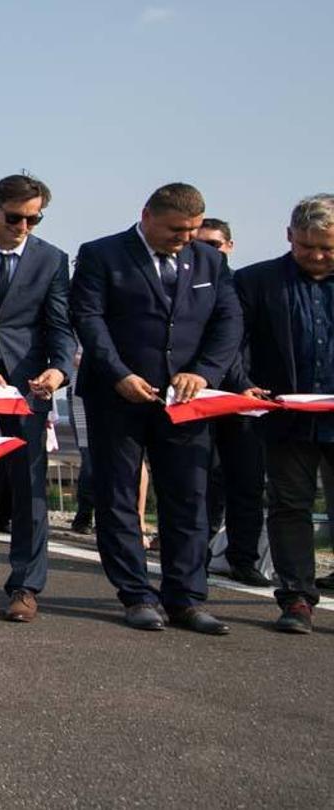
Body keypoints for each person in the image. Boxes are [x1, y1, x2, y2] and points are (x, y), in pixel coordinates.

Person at [70, 183, 241, 634]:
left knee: (188, 499)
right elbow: (88, 319)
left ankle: (185, 598)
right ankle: (136, 594)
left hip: (185, 401)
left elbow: (229, 321)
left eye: (191, 229)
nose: (184, 238)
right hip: (118, 396)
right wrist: (118, 373)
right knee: (120, 497)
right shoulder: (101, 254)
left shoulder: (210, 261)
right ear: (146, 215)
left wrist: (204, 372)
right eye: (174, 229)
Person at [0, 174, 75, 621]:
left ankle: (26, 586)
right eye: (15, 217)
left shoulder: (52, 260)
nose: (24, 226)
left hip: (29, 383)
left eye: (35, 218)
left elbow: (60, 324)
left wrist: (59, 370)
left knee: (30, 487)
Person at [229, 194, 334, 634]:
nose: (316, 255)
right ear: (289, 236)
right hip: (284, 414)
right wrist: (243, 383)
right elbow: (234, 341)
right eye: (306, 245)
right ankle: (295, 598)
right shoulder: (257, 281)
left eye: (327, 247)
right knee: (289, 506)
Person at [194, 217, 271, 587]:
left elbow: (239, 342)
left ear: (229, 246)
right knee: (200, 480)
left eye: (215, 244)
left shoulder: (245, 285)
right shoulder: (188, 283)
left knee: (246, 482)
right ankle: (197, 554)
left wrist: (244, 384)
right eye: (201, 243)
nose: (209, 251)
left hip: (244, 398)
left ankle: (242, 557)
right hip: (202, 395)